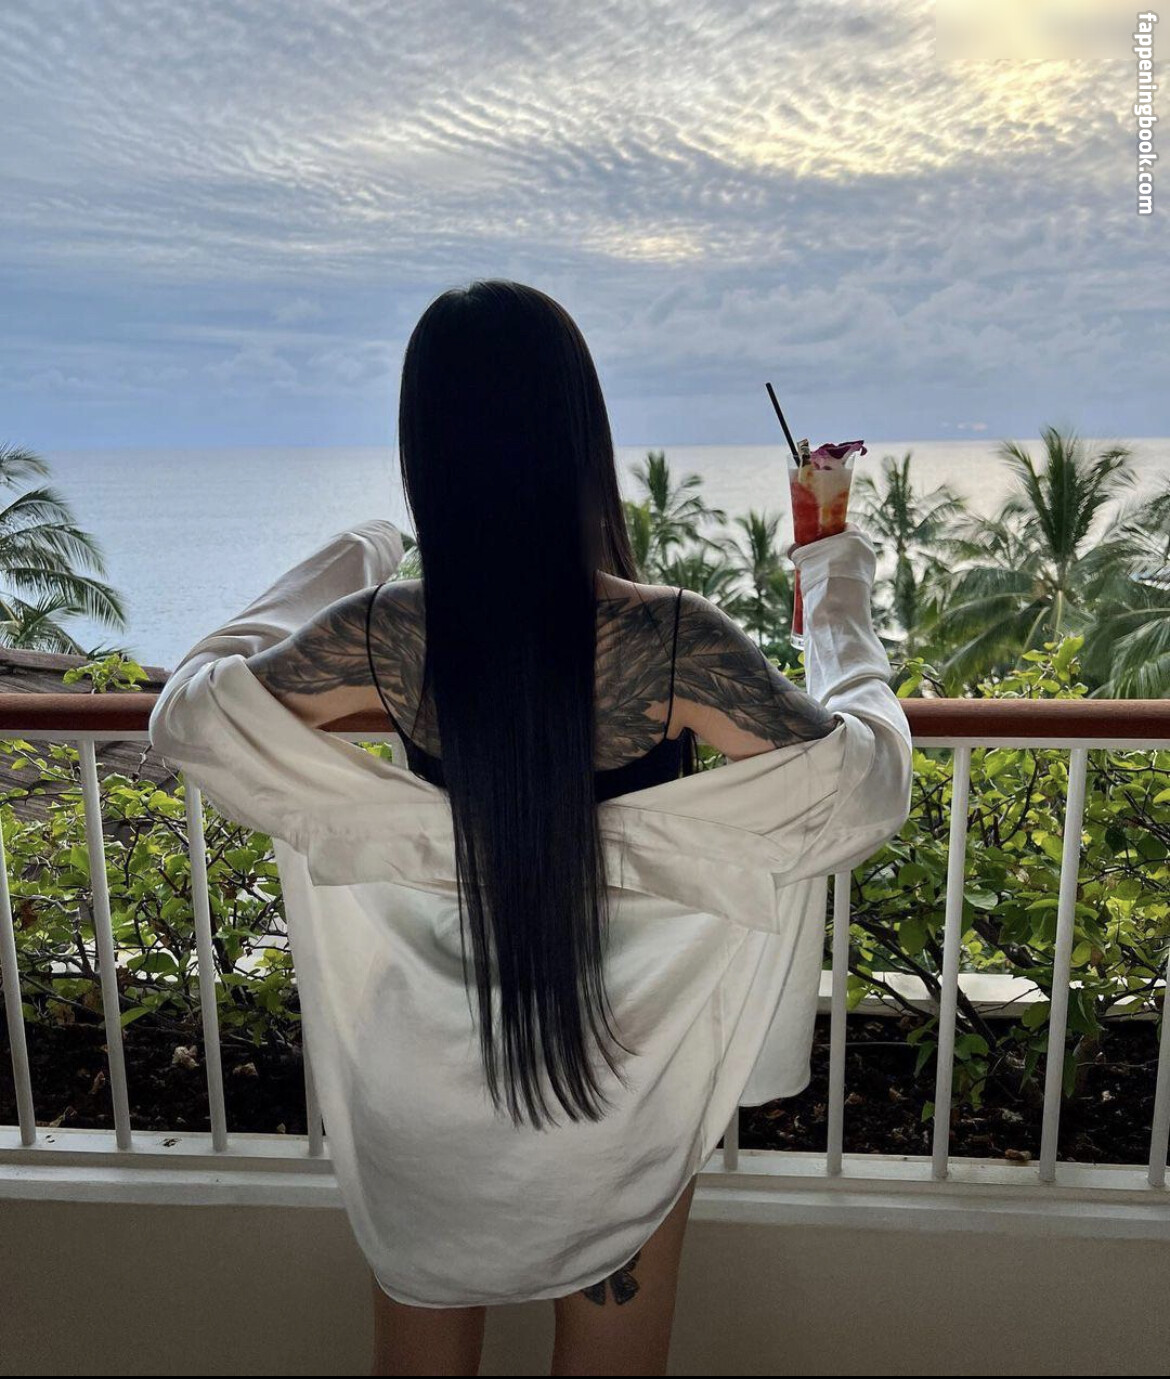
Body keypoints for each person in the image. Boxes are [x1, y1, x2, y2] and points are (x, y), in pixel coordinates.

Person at [149, 280, 913, 1376]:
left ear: (424, 452)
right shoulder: (674, 643)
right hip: (612, 1074)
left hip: (422, 1073)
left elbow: (190, 711)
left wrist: (362, 547)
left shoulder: (385, 635)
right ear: (581, 439)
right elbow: (863, 780)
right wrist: (834, 584)